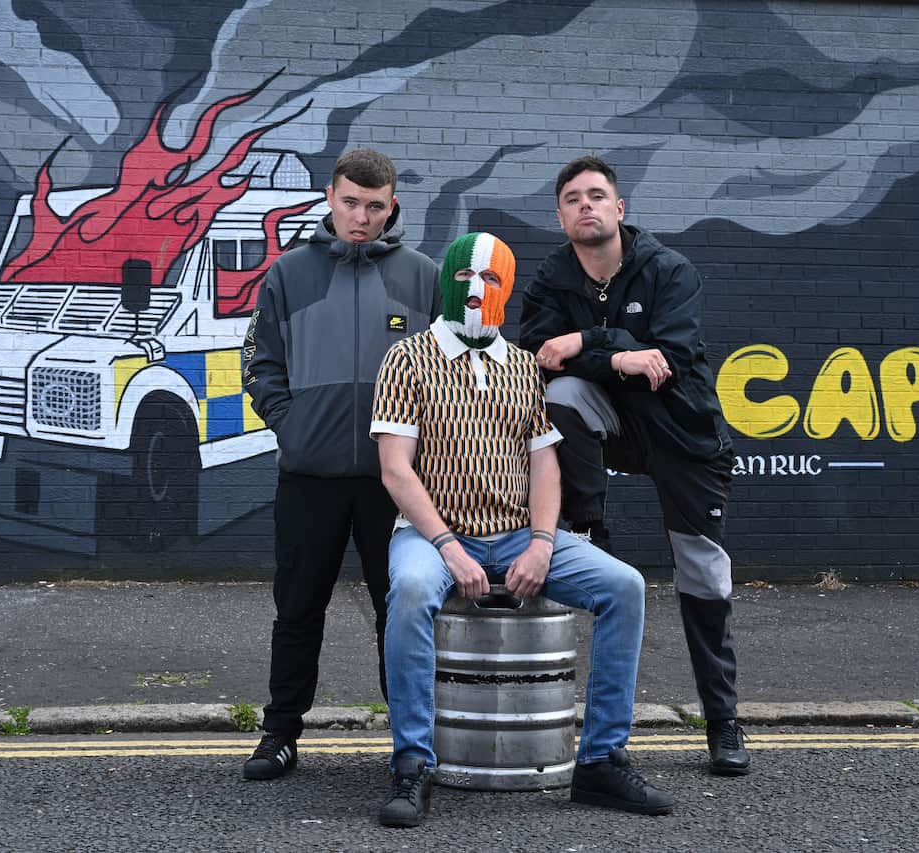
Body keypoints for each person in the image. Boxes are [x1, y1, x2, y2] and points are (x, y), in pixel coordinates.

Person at [370, 231, 672, 828]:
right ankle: (412, 762)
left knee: (625, 587)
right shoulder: (406, 358)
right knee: (409, 591)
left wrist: (541, 541)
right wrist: (447, 546)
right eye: (464, 277)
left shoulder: (521, 366)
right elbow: (395, 469)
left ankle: (601, 761)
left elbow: (543, 466)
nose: (475, 291)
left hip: (515, 533)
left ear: (506, 290)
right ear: (445, 282)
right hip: (432, 533)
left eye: (490, 280)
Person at [518, 155, 750, 777]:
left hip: (682, 436)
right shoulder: (552, 279)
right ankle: (587, 527)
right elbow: (539, 355)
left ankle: (723, 720)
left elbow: (669, 359)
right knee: (562, 396)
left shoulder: (669, 271)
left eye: (597, 195)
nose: (585, 205)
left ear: (619, 209)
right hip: (610, 426)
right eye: (573, 198)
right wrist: (618, 355)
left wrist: (587, 342)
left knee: (703, 575)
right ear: (561, 216)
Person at [240, 148, 439, 780]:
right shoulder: (288, 273)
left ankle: (411, 742)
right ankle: (280, 733)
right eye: (350, 202)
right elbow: (259, 363)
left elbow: (450, 373)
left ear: (392, 206)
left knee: (399, 615)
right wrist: (292, 425)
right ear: (330, 197)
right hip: (310, 476)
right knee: (298, 609)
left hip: (396, 482)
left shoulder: (424, 276)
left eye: (374, 207)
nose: (361, 217)